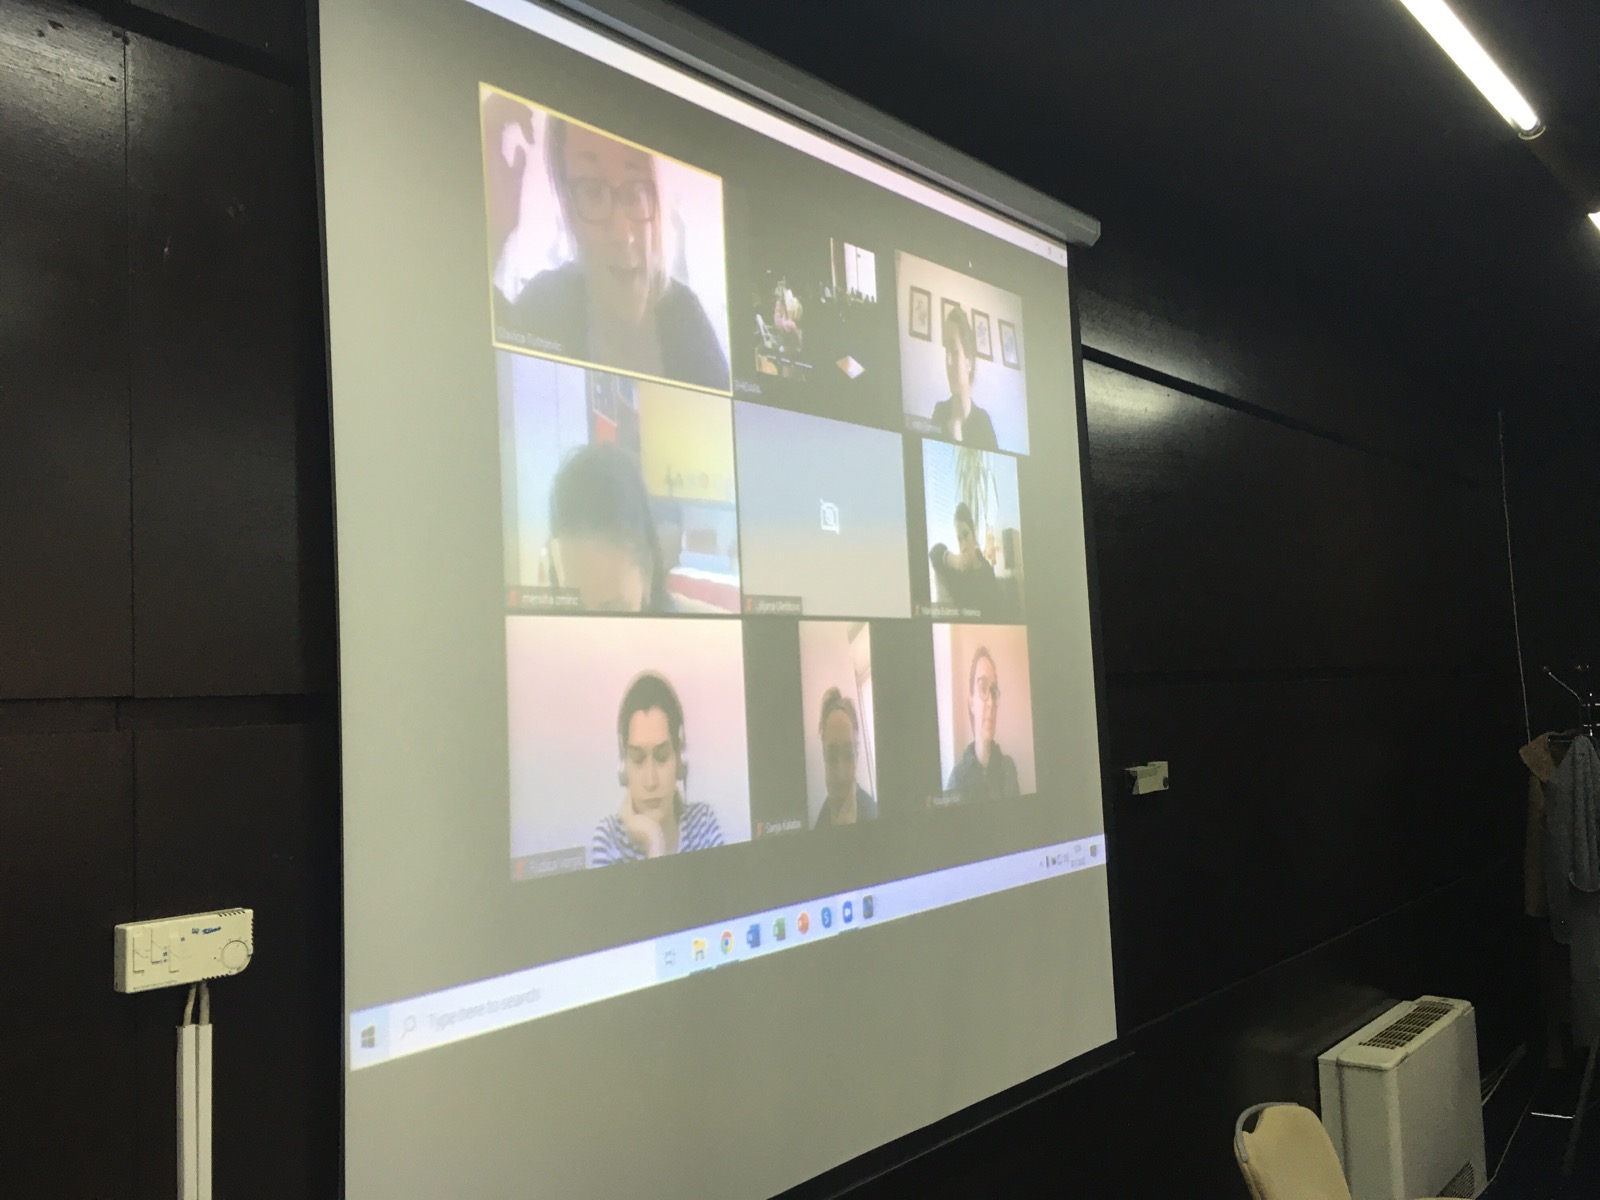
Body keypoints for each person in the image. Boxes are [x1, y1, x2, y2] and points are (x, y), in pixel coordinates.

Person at [500, 116, 729, 391]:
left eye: (635, 195)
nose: (623, 234)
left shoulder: (687, 318)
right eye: (593, 192)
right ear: (567, 206)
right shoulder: (541, 305)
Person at [546, 443, 718, 613]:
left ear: (647, 575)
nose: (594, 627)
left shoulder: (707, 628)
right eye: (576, 611)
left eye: (613, 612)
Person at [591, 673, 724, 865]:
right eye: (638, 760)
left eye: (662, 758)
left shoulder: (703, 823)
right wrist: (653, 842)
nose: (651, 781)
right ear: (623, 767)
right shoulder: (608, 839)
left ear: (680, 759)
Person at [945, 647, 1020, 802]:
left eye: (994, 690)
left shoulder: (1008, 770)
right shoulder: (957, 781)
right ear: (971, 703)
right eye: (983, 688)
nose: (991, 702)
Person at [929, 308, 998, 449]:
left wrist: (956, 434)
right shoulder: (940, 412)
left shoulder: (983, 424)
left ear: (969, 363)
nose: (948, 361)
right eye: (946, 350)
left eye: (954, 351)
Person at [813, 687, 877, 828]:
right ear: (824, 756)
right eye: (832, 757)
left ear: (856, 755)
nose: (841, 774)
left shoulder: (873, 814)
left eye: (848, 756)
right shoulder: (821, 818)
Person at [929, 501, 1001, 613]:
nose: (963, 545)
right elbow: (934, 553)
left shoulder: (987, 573)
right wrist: (952, 559)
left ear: (973, 534)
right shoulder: (957, 569)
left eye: (966, 535)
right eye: (959, 539)